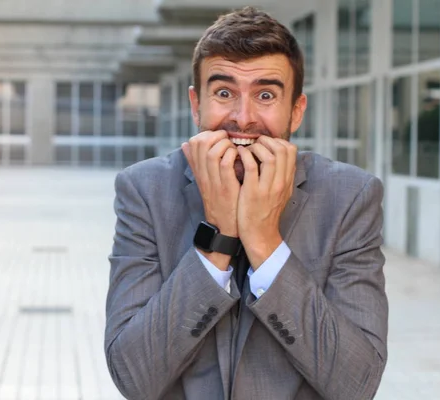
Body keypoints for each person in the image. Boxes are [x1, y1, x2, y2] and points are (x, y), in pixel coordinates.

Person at [104, 6, 388, 400]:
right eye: (224, 93)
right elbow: (133, 376)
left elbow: (357, 384)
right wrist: (218, 239)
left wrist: (264, 242)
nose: (243, 117)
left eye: (266, 95)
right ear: (195, 104)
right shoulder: (145, 190)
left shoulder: (349, 197)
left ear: (296, 110)